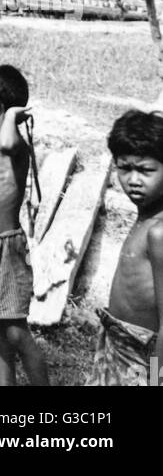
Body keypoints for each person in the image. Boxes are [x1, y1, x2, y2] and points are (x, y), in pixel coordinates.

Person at [0, 63, 49, 386]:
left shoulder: (14, 145)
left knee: (16, 331)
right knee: (0, 325)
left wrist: (14, 114)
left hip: (6, 249)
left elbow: (6, 143)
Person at [87, 109, 163, 386]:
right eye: (124, 167)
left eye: (145, 170)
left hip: (143, 361)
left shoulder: (159, 232)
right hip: (118, 348)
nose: (133, 180)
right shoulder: (145, 214)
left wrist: (156, 379)